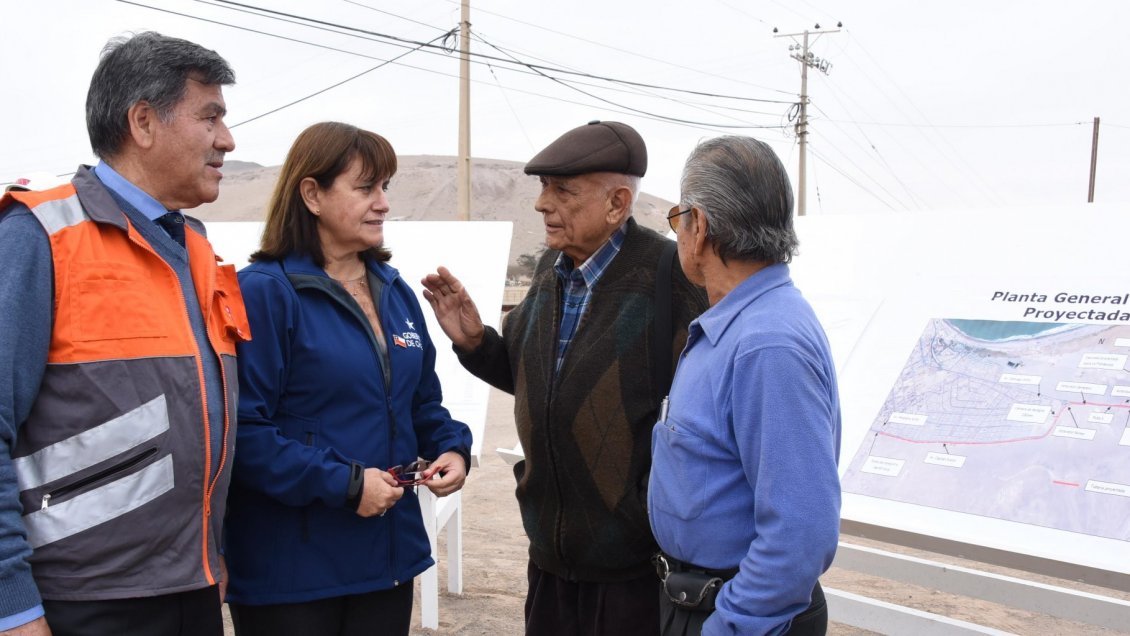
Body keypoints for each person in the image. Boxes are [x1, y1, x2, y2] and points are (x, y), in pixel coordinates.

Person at [0, 32, 246, 636]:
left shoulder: (195, 246)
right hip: (81, 602)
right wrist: (12, 605)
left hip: (190, 587)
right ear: (142, 121)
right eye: (210, 116)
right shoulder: (37, 237)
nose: (228, 140)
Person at [422, 120, 708, 636]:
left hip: (633, 575)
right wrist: (475, 342)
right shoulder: (552, 268)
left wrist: (640, 516)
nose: (541, 204)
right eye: (542, 186)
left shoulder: (672, 277)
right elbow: (537, 382)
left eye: (562, 190)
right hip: (550, 563)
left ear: (617, 203)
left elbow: (704, 418)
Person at [223, 121, 473, 636]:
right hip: (294, 573)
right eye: (366, 188)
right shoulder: (266, 294)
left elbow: (420, 403)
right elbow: (242, 433)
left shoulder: (395, 291)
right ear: (312, 194)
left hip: (385, 563)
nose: (383, 203)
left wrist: (451, 448)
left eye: (385, 188)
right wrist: (347, 484)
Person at [648, 135, 841, 636]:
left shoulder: (766, 343)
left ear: (701, 225)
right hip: (705, 603)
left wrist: (730, 625)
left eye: (679, 218)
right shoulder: (740, 324)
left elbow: (801, 532)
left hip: (738, 617)